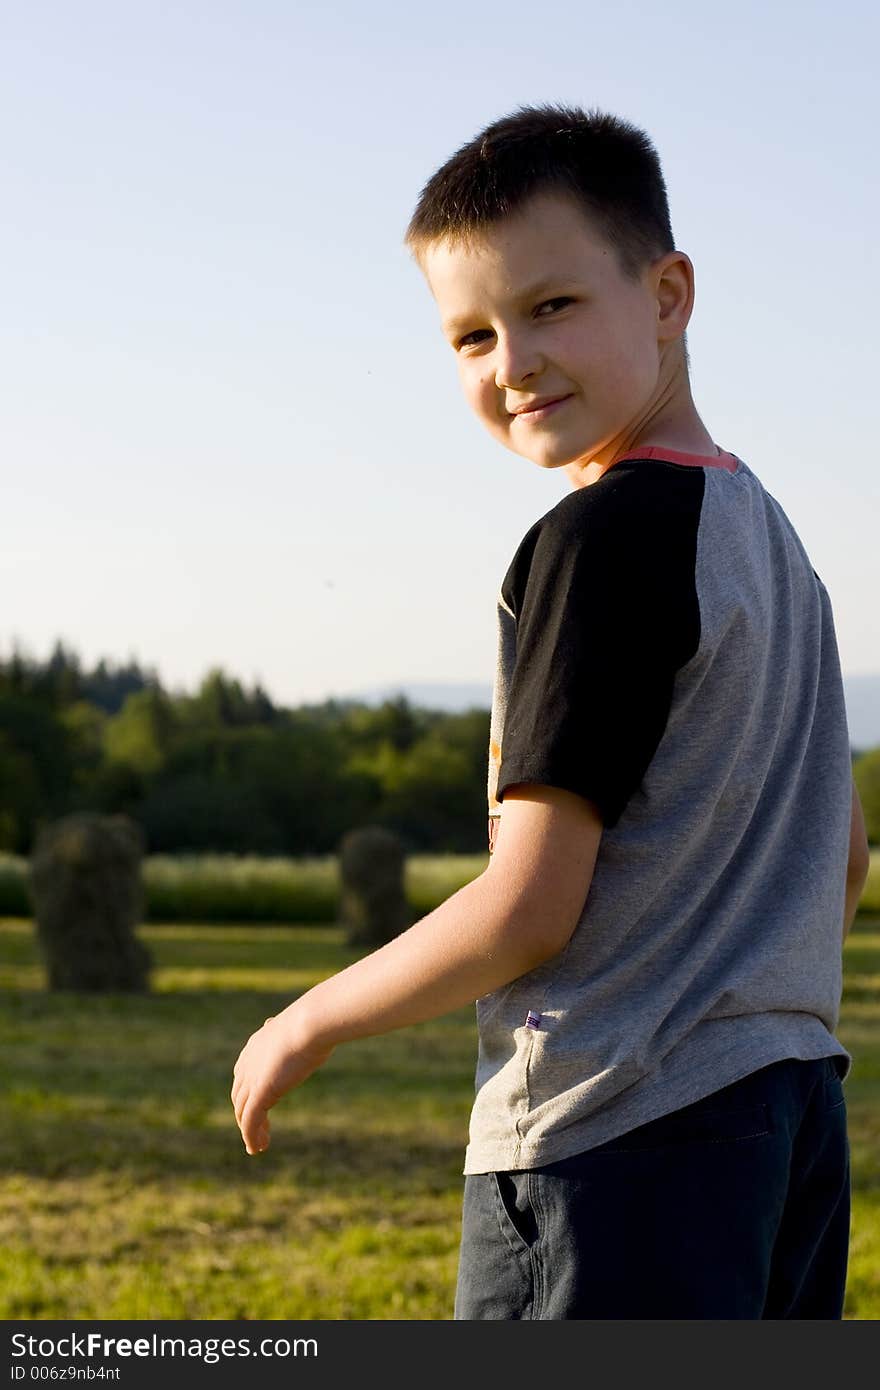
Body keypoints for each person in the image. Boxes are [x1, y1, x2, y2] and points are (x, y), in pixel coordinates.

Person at [231, 104, 871, 1320]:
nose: (511, 361)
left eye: (552, 307)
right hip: (788, 1123)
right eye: (470, 334)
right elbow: (838, 859)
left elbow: (530, 907)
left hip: (607, 1144)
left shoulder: (598, 538)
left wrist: (307, 1018)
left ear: (669, 294)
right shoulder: (776, 546)